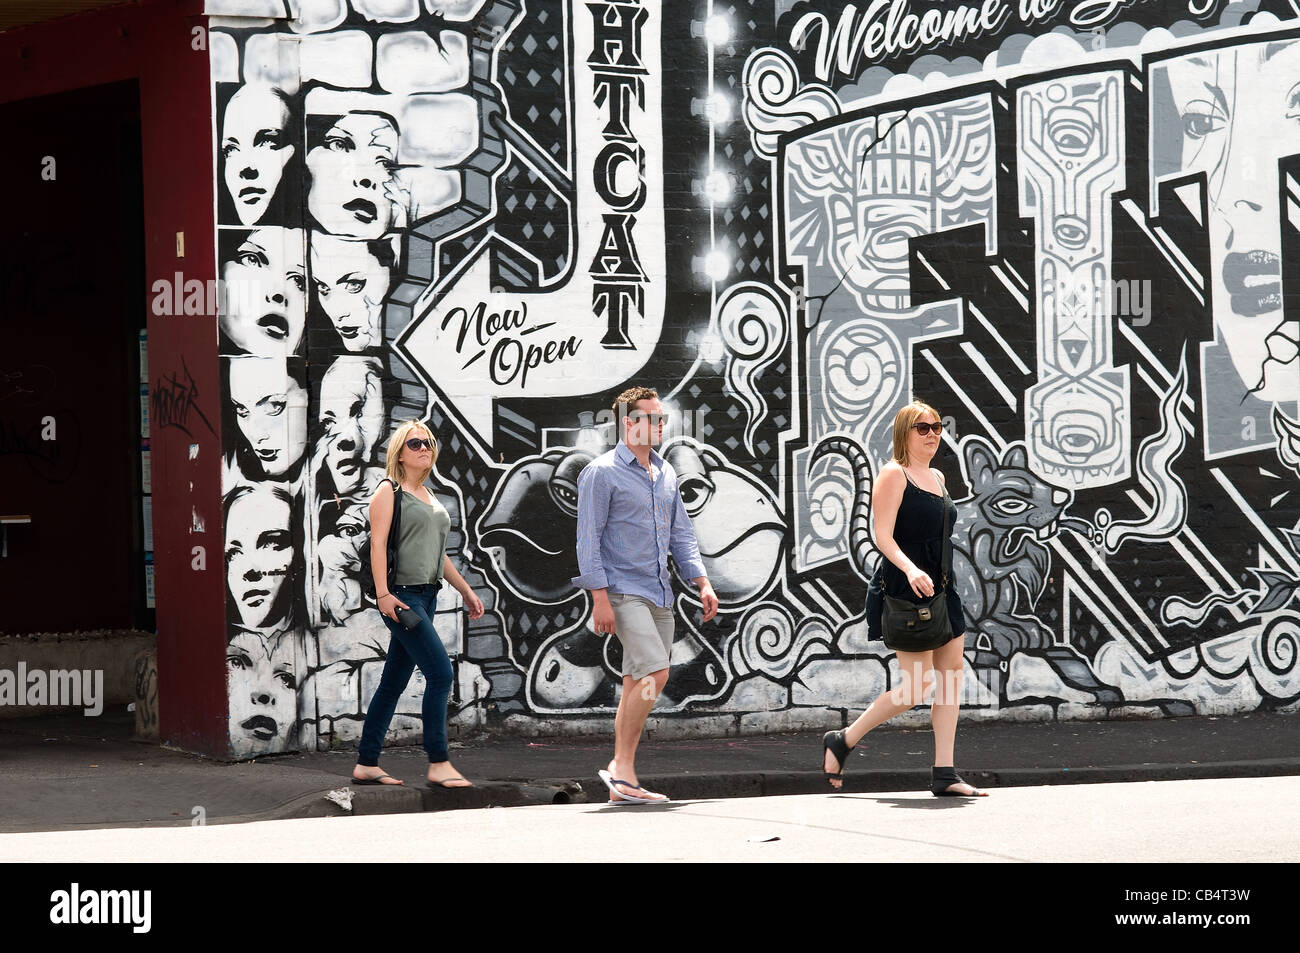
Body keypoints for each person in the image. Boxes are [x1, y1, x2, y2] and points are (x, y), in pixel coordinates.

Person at [821, 401, 988, 797]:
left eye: (937, 426)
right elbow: (882, 536)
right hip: (906, 589)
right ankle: (843, 739)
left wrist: (933, 575)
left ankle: (944, 773)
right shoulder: (893, 474)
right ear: (904, 433)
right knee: (917, 687)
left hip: (941, 588)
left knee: (950, 679)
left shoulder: (938, 477)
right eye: (922, 428)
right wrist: (911, 569)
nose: (932, 434)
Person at [572, 386, 719, 803]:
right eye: (651, 418)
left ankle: (623, 780)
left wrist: (701, 581)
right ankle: (621, 768)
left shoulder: (665, 472)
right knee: (657, 674)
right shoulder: (601, 473)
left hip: (660, 593)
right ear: (628, 423)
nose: (659, 425)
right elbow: (588, 540)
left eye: (661, 418)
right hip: (622, 592)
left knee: (637, 680)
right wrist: (599, 598)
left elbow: (681, 534)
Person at [352, 420, 485, 788]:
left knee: (393, 682)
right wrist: (383, 595)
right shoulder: (388, 491)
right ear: (399, 452)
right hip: (402, 597)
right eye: (415, 443)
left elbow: (439, 555)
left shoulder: (428, 494)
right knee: (441, 674)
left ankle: (366, 763)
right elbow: (378, 545)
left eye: (428, 442)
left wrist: (466, 590)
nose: (424, 448)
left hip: (427, 595)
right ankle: (438, 761)